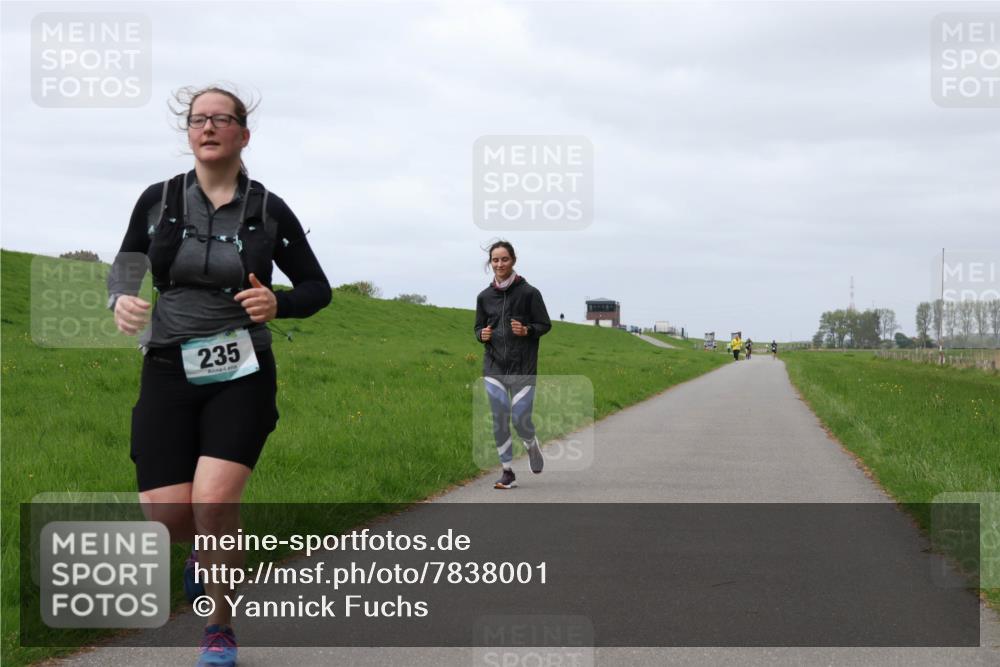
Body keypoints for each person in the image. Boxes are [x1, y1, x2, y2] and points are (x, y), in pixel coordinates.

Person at [107, 85, 330, 667]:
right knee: (169, 516)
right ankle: (199, 557)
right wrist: (120, 301)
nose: (207, 127)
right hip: (166, 365)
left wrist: (279, 303)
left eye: (220, 119)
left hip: (241, 369)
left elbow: (317, 288)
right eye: (197, 119)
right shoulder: (157, 200)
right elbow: (127, 265)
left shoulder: (268, 209)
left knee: (212, 505)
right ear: (189, 133)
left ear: (242, 134)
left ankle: (219, 627)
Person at [474, 241, 551, 489]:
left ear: (513, 260)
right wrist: (481, 335)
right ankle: (507, 471)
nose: (499, 264)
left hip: (523, 366)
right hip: (494, 366)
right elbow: (478, 327)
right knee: (499, 417)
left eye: (504, 259)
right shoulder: (484, 297)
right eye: (495, 260)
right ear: (490, 263)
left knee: (519, 418)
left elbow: (545, 324)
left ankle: (530, 444)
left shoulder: (529, 293)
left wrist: (527, 330)